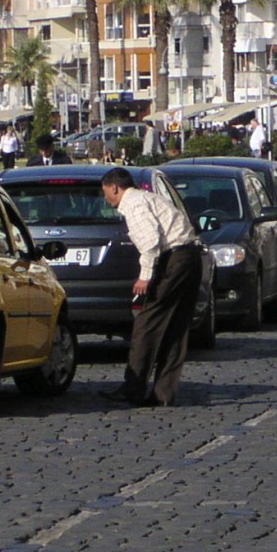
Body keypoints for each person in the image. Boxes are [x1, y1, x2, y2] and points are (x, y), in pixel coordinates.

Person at [99, 168, 204, 408]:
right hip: (189, 257)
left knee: (147, 324)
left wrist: (144, 277)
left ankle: (133, 388)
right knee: (176, 326)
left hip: (175, 260)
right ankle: (163, 393)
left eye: (105, 193)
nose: (105, 198)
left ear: (115, 187)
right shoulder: (146, 198)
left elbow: (151, 242)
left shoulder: (133, 204)